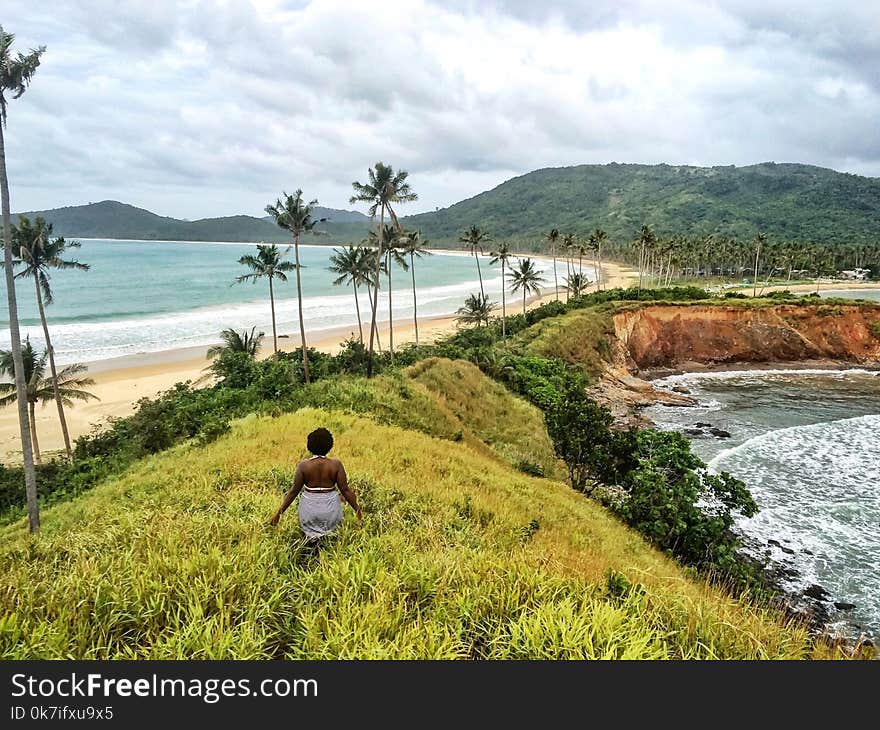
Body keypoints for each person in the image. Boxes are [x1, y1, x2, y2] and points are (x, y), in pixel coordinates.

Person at [269, 427, 362, 543]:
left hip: (309, 512)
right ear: (330, 445)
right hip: (331, 512)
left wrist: (278, 514)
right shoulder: (336, 464)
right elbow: (345, 490)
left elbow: (294, 492)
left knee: (311, 539)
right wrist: (358, 510)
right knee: (332, 538)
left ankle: (311, 543)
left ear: (309, 446)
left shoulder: (303, 465)